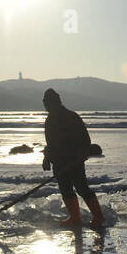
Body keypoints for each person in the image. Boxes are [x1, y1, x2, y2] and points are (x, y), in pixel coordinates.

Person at [42, 89, 105, 228]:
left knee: (82, 188)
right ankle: (75, 218)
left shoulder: (71, 117)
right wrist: (47, 158)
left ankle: (99, 217)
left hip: (74, 161)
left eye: (47, 102)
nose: (45, 105)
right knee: (65, 190)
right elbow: (51, 143)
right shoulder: (50, 120)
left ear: (55, 102)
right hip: (59, 162)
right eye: (45, 102)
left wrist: (80, 157)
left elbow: (85, 140)